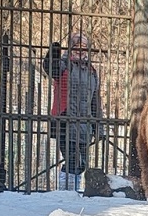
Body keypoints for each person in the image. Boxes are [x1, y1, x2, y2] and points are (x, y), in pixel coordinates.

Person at [42, 31, 104, 191]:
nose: (81, 50)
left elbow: (95, 101)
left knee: (81, 163)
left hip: (84, 124)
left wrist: (99, 127)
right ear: (70, 48)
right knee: (72, 160)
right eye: (77, 46)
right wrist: (52, 55)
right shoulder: (64, 65)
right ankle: (65, 193)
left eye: (84, 47)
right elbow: (51, 68)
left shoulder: (91, 72)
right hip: (64, 121)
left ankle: (73, 192)